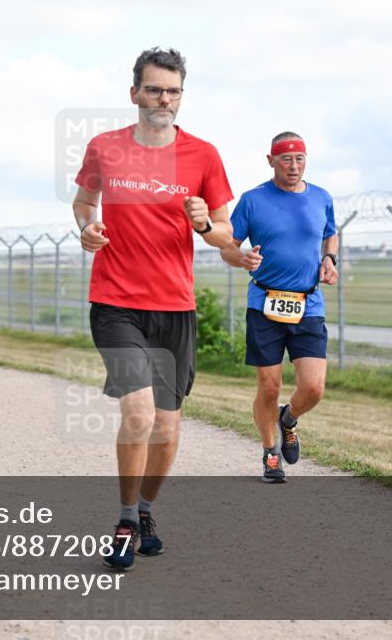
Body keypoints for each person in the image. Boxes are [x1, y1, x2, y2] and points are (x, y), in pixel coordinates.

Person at [71, 47, 234, 571]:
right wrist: (87, 229)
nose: (164, 99)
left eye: (173, 91)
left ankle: (145, 511)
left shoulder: (203, 155)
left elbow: (227, 237)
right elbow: (83, 202)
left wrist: (204, 223)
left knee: (167, 428)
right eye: (155, 89)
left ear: (181, 95)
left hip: (174, 308)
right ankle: (122, 519)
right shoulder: (105, 147)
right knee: (137, 413)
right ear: (135, 93)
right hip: (115, 302)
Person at [221, 132, 338, 483]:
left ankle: (288, 419)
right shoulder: (253, 200)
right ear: (270, 160)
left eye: (300, 158)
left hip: (309, 303)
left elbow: (329, 232)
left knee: (314, 388)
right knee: (269, 387)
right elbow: (227, 245)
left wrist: (329, 258)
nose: (294, 166)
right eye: (286, 159)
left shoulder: (321, 197)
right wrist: (240, 257)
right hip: (264, 303)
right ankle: (271, 453)